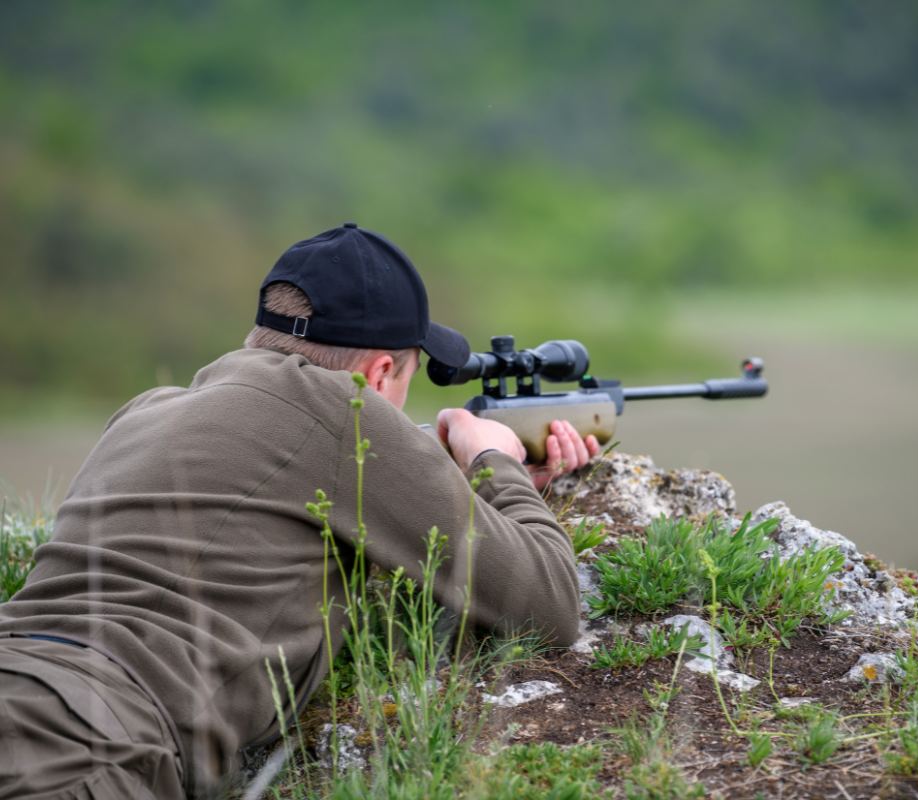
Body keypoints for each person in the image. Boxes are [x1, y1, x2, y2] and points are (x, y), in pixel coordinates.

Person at [0, 223, 599, 799]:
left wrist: (443, 484)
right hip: (78, 745)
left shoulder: (147, 410)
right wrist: (496, 462)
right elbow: (549, 603)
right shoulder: (346, 412)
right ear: (380, 372)